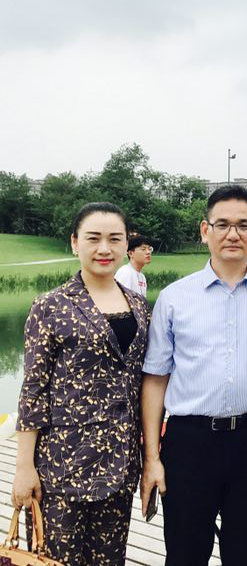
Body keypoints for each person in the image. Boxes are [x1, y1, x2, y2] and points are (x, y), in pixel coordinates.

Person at [139, 185, 247, 566]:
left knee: (245, 551)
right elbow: (156, 379)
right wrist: (152, 457)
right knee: (184, 552)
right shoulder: (175, 298)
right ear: (205, 230)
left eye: (243, 225)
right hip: (190, 442)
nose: (233, 234)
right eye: (223, 225)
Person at [12, 202, 150, 565]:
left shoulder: (139, 306)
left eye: (114, 239)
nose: (104, 248)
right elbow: (33, 390)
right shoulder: (50, 306)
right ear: (75, 243)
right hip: (62, 468)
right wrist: (24, 468)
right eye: (93, 238)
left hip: (121, 466)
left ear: (126, 244)